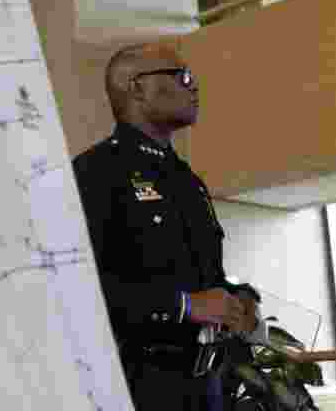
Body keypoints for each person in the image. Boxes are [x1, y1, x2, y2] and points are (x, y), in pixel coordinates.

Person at [72, 43, 260, 411]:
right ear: (137, 87)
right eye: (183, 77)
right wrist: (184, 306)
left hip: (207, 385)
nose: (194, 86)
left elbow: (205, 277)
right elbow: (81, 288)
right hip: (139, 385)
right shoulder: (96, 173)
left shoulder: (187, 181)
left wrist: (239, 300)